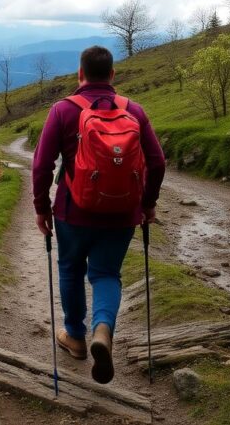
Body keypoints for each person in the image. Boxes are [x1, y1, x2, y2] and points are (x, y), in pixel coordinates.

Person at [31, 46, 166, 384]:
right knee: (106, 273)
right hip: (122, 213)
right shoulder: (133, 110)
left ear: (80, 74)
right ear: (112, 75)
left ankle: (75, 337)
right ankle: (103, 329)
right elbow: (157, 162)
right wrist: (148, 204)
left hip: (72, 211)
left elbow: (42, 165)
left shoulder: (63, 110)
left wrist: (41, 207)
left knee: (71, 268)